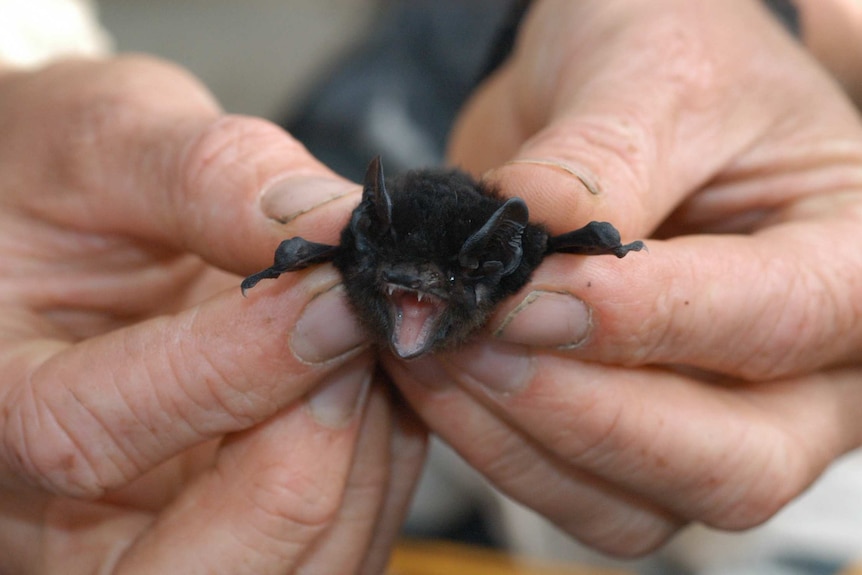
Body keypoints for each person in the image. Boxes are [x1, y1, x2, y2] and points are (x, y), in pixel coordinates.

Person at [0, 1, 860, 573]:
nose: (410, 306)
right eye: (400, 292)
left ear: (486, 280)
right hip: (386, 161)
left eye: (425, 295)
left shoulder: (498, 264)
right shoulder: (363, 251)